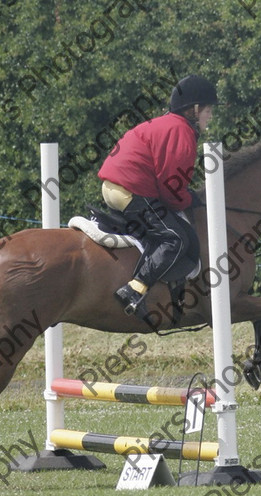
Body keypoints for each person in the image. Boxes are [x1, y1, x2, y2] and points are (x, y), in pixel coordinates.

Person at [98, 74, 220, 318]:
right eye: (208, 110)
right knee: (175, 239)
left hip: (115, 188)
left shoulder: (167, 124)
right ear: (194, 109)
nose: (210, 116)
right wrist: (189, 200)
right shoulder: (181, 131)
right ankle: (135, 289)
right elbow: (170, 187)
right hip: (132, 191)